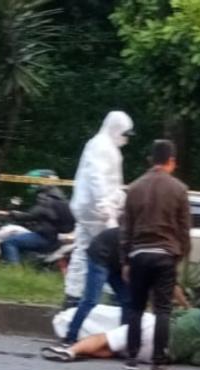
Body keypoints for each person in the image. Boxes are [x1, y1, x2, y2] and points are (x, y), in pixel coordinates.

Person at [121, 139, 191, 370]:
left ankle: (131, 357)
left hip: (138, 254)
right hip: (165, 255)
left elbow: (126, 228)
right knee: (163, 309)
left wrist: (125, 260)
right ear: (171, 161)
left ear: (151, 160)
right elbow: (184, 229)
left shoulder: (134, 188)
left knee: (136, 307)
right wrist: (180, 256)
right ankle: (158, 363)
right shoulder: (179, 189)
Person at [64, 111, 134, 307]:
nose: (126, 139)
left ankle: (73, 296)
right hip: (97, 212)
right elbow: (98, 179)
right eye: (125, 134)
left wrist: (119, 200)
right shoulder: (103, 147)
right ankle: (116, 296)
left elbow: (110, 183)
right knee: (110, 253)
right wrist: (107, 209)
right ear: (116, 129)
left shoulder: (100, 145)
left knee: (83, 250)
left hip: (89, 209)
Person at [42, 304, 200, 366]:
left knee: (107, 338)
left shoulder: (197, 313)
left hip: (153, 327)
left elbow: (171, 315)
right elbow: (197, 361)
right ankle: (81, 352)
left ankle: (71, 351)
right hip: (161, 354)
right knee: (113, 351)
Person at [63, 226, 129, 345]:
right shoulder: (142, 237)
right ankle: (70, 336)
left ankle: (123, 339)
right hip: (101, 256)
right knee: (91, 300)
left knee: (127, 300)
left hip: (114, 258)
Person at [0, 183, 74, 264]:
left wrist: (10, 214)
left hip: (43, 237)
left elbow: (29, 216)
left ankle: (14, 268)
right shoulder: (63, 203)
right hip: (54, 238)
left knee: (9, 242)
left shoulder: (46, 201)